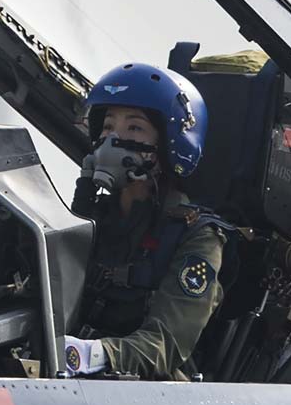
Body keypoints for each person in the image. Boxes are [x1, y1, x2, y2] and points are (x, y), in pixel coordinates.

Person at [64, 62, 232, 381]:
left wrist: (91, 354)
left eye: (134, 128)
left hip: (150, 392)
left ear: (169, 145)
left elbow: (166, 345)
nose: (113, 138)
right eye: (107, 126)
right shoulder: (91, 217)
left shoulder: (198, 237)